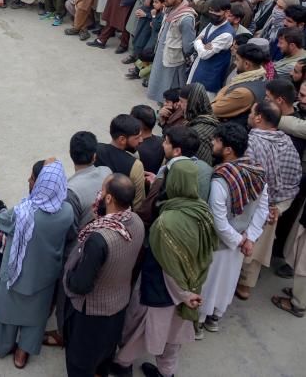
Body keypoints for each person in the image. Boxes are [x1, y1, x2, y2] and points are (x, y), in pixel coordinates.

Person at [111, 160, 216, 377]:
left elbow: (168, 267)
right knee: (173, 337)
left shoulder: (166, 222)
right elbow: (207, 251)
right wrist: (191, 290)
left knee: (137, 329)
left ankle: (122, 365)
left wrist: (183, 294)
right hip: (192, 283)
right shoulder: (202, 210)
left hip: (160, 289)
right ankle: (166, 373)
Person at [0, 159, 73, 369]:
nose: (28, 180)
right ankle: (22, 355)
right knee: (36, 318)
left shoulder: (23, 213)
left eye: (32, 178)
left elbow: (3, 220)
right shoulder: (66, 210)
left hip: (18, 275)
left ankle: (4, 346)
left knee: (7, 315)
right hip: (46, 275)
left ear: (41, 183)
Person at [63, 174, 144, 377]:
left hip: (91, 313)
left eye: (102, 191)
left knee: (80, 363)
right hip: (118, 307)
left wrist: (68, 279)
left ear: (108, 199)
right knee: (104, 356)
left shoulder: (99, 239)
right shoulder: (136, 221)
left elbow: (81, 284)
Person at [197, 123, 268, 335]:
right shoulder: (258, 173)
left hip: (220, 244)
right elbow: (262, 211)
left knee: (209, 282)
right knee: (227, 281)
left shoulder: (221, 179)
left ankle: (199, 322)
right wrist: (250, 238)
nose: (212, 143)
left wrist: (240, 241)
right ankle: (215, 317)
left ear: (228, 149)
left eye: (216, 141)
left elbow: (217, 220)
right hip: (240, 242)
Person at [236, 99, 301, 299]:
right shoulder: (287, 141)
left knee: (244, 244)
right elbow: (295, 175)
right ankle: (246, 287)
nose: (248, 115)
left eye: (251, 112)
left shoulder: (251, 142)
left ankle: (235, 282)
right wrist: (278, 206)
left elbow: (245, 177)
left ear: (258, 118)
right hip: (279, 204)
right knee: (261, 245)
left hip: (256, 203)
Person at [147, 0, 198, 103]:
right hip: (162, 54)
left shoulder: (186, 18)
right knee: (159, 82)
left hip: (173, 59)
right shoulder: (169, 10)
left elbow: (188, 45)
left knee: (169, 87)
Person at [210, 42, 268, 122]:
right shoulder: (261, 77)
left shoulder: (243, 93)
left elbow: (213, 110)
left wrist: (222, 92)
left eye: (237, 60)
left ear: (247, 64)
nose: (235, 62)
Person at [65, 130, 112, 226]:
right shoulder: (107, 172)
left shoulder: (69, 190)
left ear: (70, 154)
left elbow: (71, 230)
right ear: (94, 156)